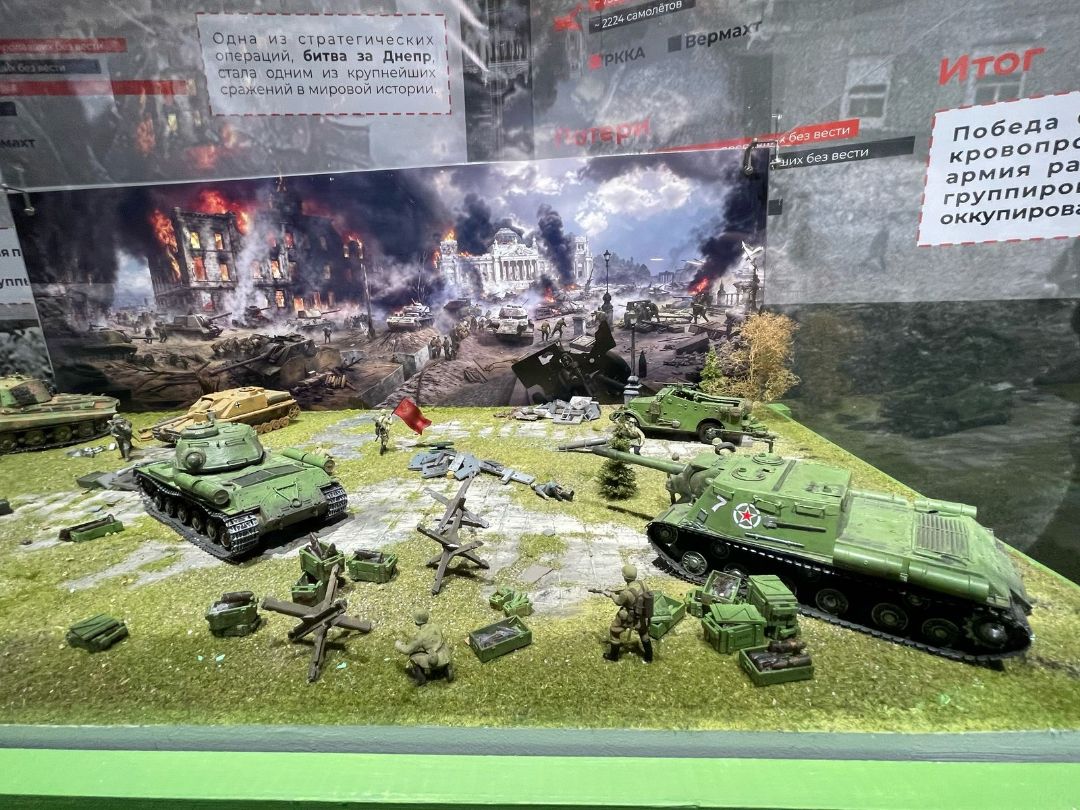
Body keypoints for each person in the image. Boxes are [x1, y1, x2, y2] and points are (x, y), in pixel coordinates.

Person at [605, 564, 653, 663]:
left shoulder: (625, 593)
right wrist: (615, 590)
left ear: (625, 577)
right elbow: (634, 590)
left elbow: (618, 602)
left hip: (629, 616)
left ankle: (613, 656)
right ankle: (649, 657)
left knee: (614, 630)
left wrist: (611, 594)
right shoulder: (643, 583)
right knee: (643, 632)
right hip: (641, 616)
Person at [394, 609, 453, 686]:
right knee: (444, 645)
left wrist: (398, 644)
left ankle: (421, 679)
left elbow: (407, 650)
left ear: (416, 622)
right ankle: (447, 669)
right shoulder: (436, 627)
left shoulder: (420, 636)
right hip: (443, 655)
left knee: (412, 657)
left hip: (431, 660)